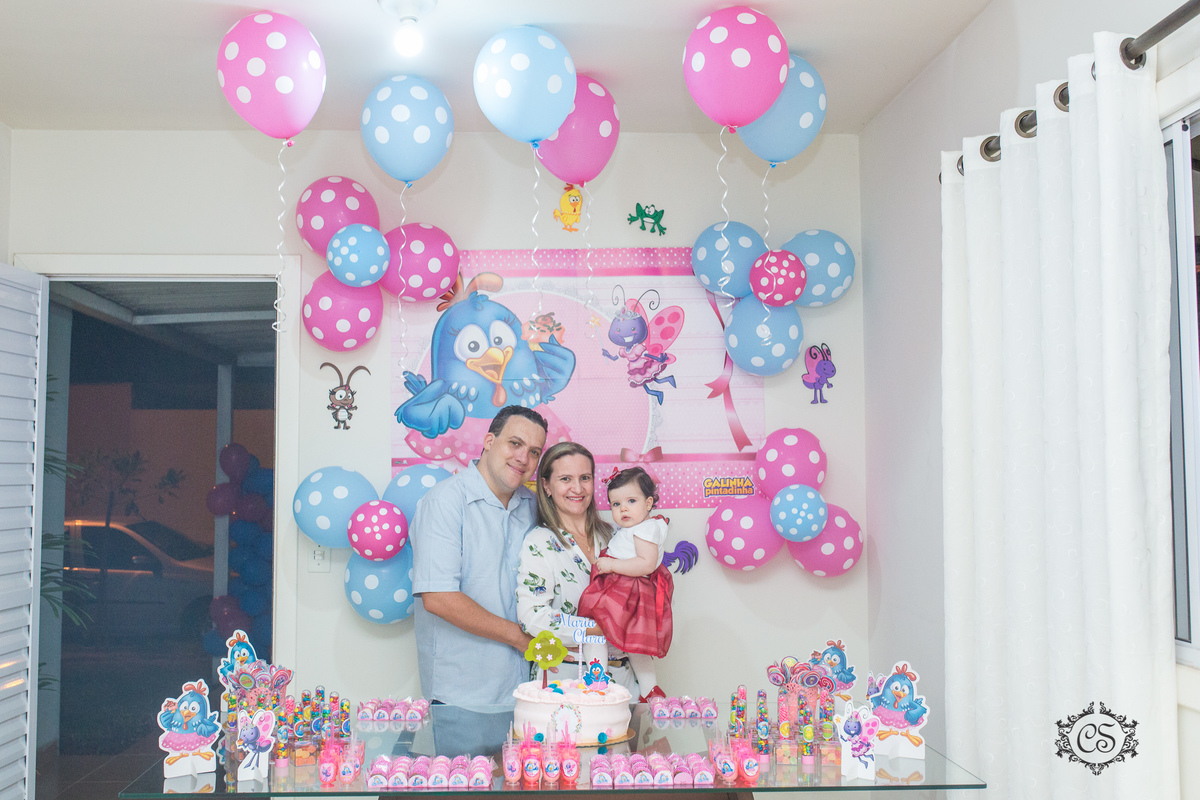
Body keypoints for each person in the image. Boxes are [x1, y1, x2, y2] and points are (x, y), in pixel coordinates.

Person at [409, 405, 547, 708]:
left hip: (527, 690)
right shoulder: (444, 502)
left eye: (535, 452)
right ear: (489, 442)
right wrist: (521, 639)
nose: (523, 459)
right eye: (515, 443)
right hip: (461, 694)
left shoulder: (533, 506)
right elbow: (438, 597)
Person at [515, 442, 640, 697]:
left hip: (624, 682)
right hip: (563, 684)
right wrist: (600, 628)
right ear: (547, 486)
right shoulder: (539, 543)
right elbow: (533, 617)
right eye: (565, 479)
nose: (578, 488)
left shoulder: (616, 537)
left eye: (585, 478)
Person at [577, 466, 671, 700]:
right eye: (616, 504)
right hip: (626, 590)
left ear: (648, 503)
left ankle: (600, 679)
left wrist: (611, 566)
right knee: (631, 644)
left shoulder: (646, 529)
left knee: (595, 630)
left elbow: (646, 564)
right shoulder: (638, 528)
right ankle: (646, 690)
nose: (623, 508)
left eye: (631, 500)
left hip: (628, 591)